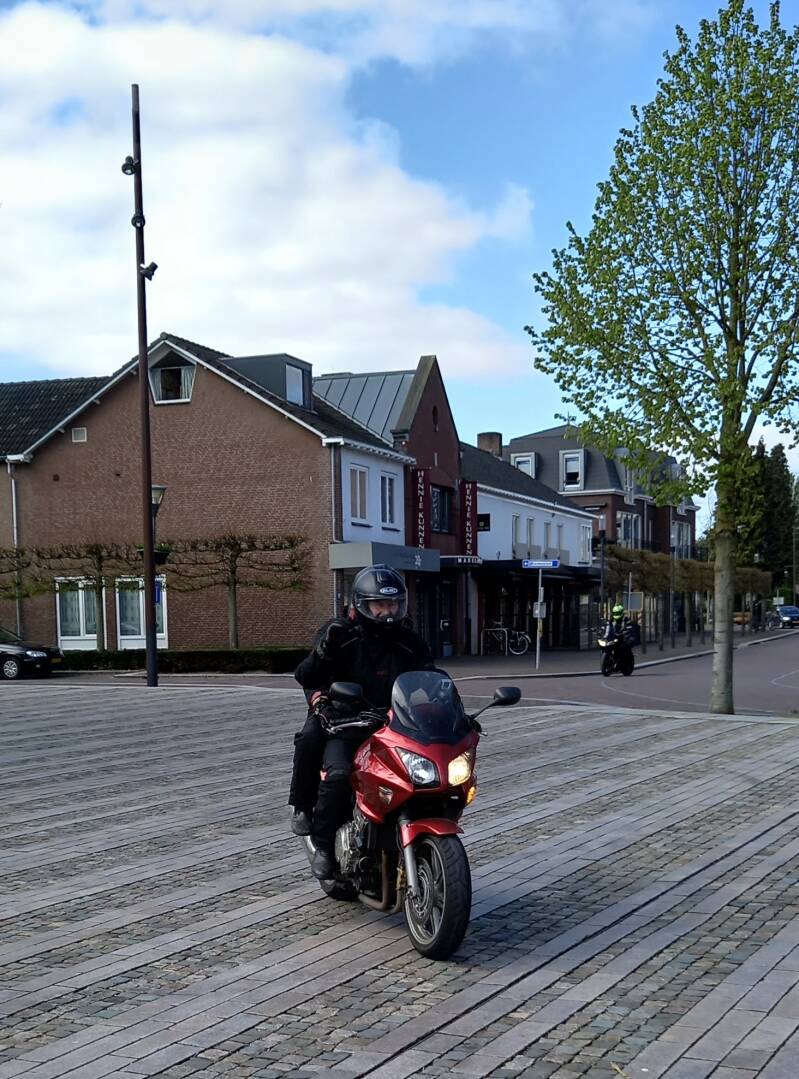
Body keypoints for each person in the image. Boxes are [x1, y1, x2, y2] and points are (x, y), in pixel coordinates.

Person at [289, 564, 433, 879]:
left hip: (394, 724)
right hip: (346, 721)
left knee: (421, 778)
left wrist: (450, 711)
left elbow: (431, 678)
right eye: (379, 604)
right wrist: (323, 652)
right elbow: (306, 676)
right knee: (338, 772)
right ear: (361, 604)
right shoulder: (340, 635)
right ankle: (322, 844)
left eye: (393, 604)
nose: (387, 612)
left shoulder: (409, 641)